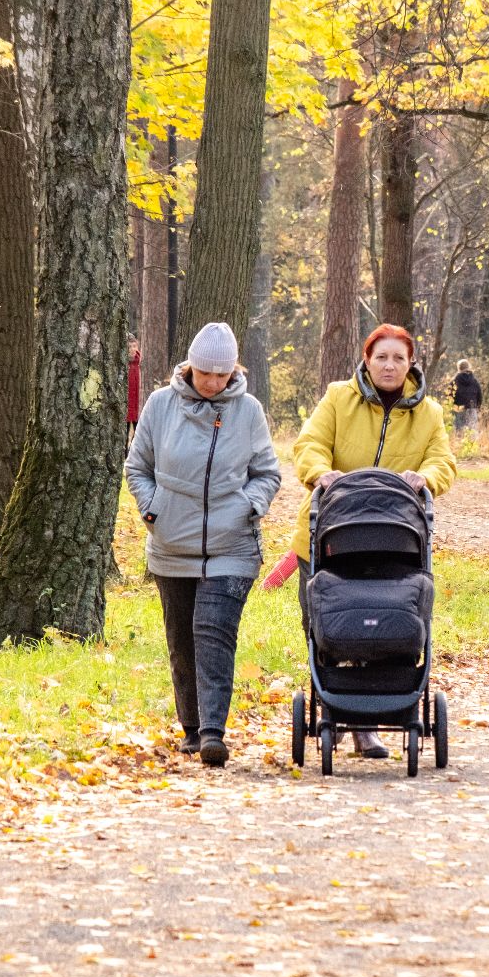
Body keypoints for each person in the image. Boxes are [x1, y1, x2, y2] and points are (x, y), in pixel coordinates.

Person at [293, 323, 457, 758]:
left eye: (398, 358)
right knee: (331, 624)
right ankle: (337, 706)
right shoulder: (337, 398)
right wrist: (320, 472)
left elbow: (443, 459)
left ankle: (367, 722)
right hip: (333, 533)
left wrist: (427, 478)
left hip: (395, 540)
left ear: (410, 364)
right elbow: (309, 444)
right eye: (381, 357)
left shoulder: (429, 414)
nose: (389, 365)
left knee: (389, 618)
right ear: (367, 360)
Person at [125, 323, 282, 768]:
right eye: (205, 373)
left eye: (222, 374)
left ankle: (214, 732)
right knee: (182, 640)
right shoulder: (159, 405)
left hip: (232, 545)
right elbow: (137, 467)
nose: (213, 382)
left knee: (213, 632)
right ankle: (192, 729)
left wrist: (250, 507)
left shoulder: (248, 411)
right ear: (190, 366)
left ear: (234, 370)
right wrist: (153, 509)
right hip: (172, 544)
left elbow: (267, 474)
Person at [451, 359, 483, 436]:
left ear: (459, 368)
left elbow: (450, 395)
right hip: (471, 407)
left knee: (459, 430)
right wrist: (477, 406)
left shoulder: (455, 381)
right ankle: (472, 447)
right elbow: (479, 395)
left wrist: (451, 406)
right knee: (472, 430)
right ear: (468, 367)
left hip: (458, 408)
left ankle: (458, 447)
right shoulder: (474, 380)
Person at [126, 335, 142, 445]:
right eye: (130, 346)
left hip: (137, 403)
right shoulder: (125, 364)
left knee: (137, 432)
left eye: (134, 346)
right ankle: (124, 452)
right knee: (125, 431)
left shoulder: (139, 363)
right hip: (127, 403)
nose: (132, 349)